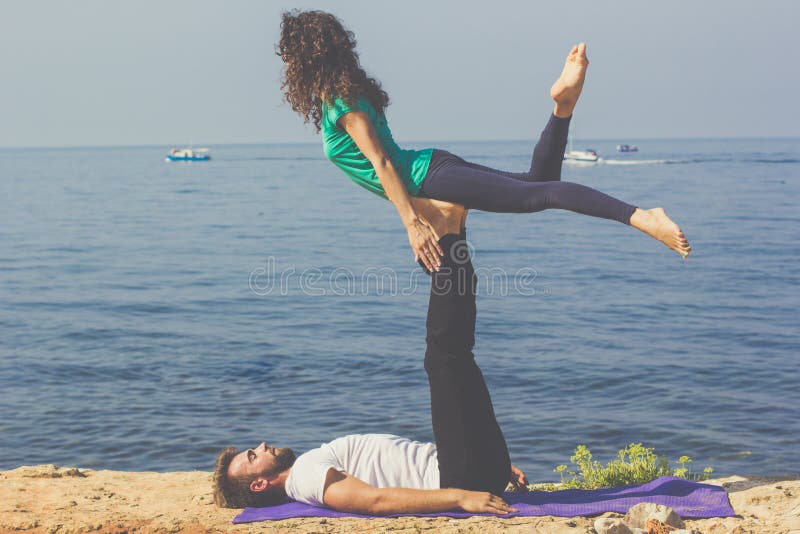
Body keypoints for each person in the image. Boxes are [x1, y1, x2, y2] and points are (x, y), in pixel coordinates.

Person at [277, 10, 691, 273]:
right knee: (538, 180)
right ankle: (562, 107)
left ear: (305, 60)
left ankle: (641, 216)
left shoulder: (341, 105)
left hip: (429, 179)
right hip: (433, 169)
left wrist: (411, 223)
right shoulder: (351, 93)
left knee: (539, 194)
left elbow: (381, 163)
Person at [214, 204, 532, 514]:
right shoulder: (304, 478)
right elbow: (373, 501)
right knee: (445, 354)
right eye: (253, 457)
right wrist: (460, 497)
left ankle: (454, 229)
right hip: (459, 477)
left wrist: (488, 463)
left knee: (454, 353)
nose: (261, 445)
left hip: (468, 465)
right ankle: (451, 230)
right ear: (260, 484)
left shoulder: (308, 469)